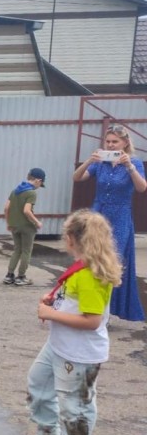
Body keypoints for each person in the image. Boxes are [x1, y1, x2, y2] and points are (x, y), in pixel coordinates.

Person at [21, 209, 123, 435]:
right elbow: (75, 303)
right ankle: (49, 433)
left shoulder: (89, 275)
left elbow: (92, 321)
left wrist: (51, 313)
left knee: (75, 404)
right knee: (39, 382)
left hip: (78, 353)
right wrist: (54, 300)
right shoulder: (81, 268)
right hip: (60, 346)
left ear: (71, 238)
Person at [73, 123, 146, 322]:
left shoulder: (134, 162)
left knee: (113, 262)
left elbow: (141, 188)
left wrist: (129, 167)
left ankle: (104, 313)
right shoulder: (101, 162)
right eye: (108, 141)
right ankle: (91, 307)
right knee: (91, 259)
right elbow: (77, 177)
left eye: (115, 142)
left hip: (120, 217)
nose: (111, 145)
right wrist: (89, 160)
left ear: (125, 143)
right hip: (98, 215)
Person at [3, 167, 46, 286]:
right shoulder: (31, 193)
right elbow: (27, 211)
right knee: (26, 251)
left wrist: (9, 223)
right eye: (41, 183)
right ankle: (21, 277)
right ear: (38, 180)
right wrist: (37, 222)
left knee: (17, 250)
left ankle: (9, 275)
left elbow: (6, 208)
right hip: (27, 226)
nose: (39, 186)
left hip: (14, 225)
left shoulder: (15, 190)